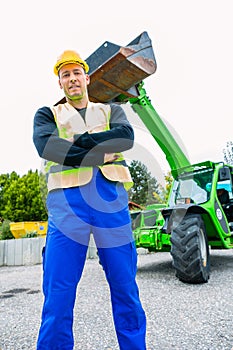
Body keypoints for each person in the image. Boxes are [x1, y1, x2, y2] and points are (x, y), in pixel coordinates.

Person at [33, 50, 147, 350]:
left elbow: (125, 138)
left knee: (125, 287)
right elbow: (48, 147)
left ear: (87, 77)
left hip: (110, 200)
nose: (72, 79)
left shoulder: (111, 111)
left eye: (76, 73)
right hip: (67, 204)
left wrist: (78, 143)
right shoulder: (48, 115)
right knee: (58, 292)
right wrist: (101, 150)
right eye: (65, 75)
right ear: (60, 84)